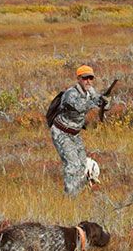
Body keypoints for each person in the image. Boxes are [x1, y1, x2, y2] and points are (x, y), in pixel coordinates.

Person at [46, 64, 108, 196]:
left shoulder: (90, 90)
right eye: (85, 78)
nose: (88, 81)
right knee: (72, 164)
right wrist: (97, 102)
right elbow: (80, 106)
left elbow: (100, 100)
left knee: (81, 165)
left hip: (75, 133)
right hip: (61, 132)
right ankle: (70, 198)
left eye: (91, 78)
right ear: (79, 78)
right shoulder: (71, 93)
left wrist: (105, 102)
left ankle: (77, 193)